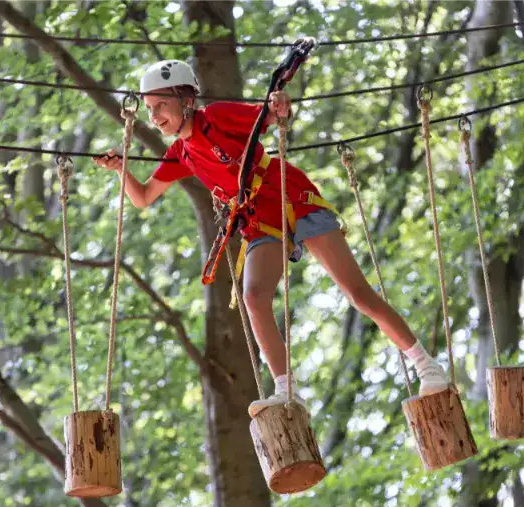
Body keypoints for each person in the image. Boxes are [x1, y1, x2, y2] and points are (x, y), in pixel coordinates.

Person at [93, 60, 448, 417]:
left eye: (161, 106)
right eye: (150, 110)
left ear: (186, 100)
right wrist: (121, 168)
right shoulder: (181, 153)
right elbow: (142, 198)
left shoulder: (215, 118)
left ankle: (426, 366)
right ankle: (286, 391)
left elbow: (268, 115)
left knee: (357, 293)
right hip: (259, 222)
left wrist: (279, 104)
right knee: (253, 296)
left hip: (292, 199)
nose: (154, 117)